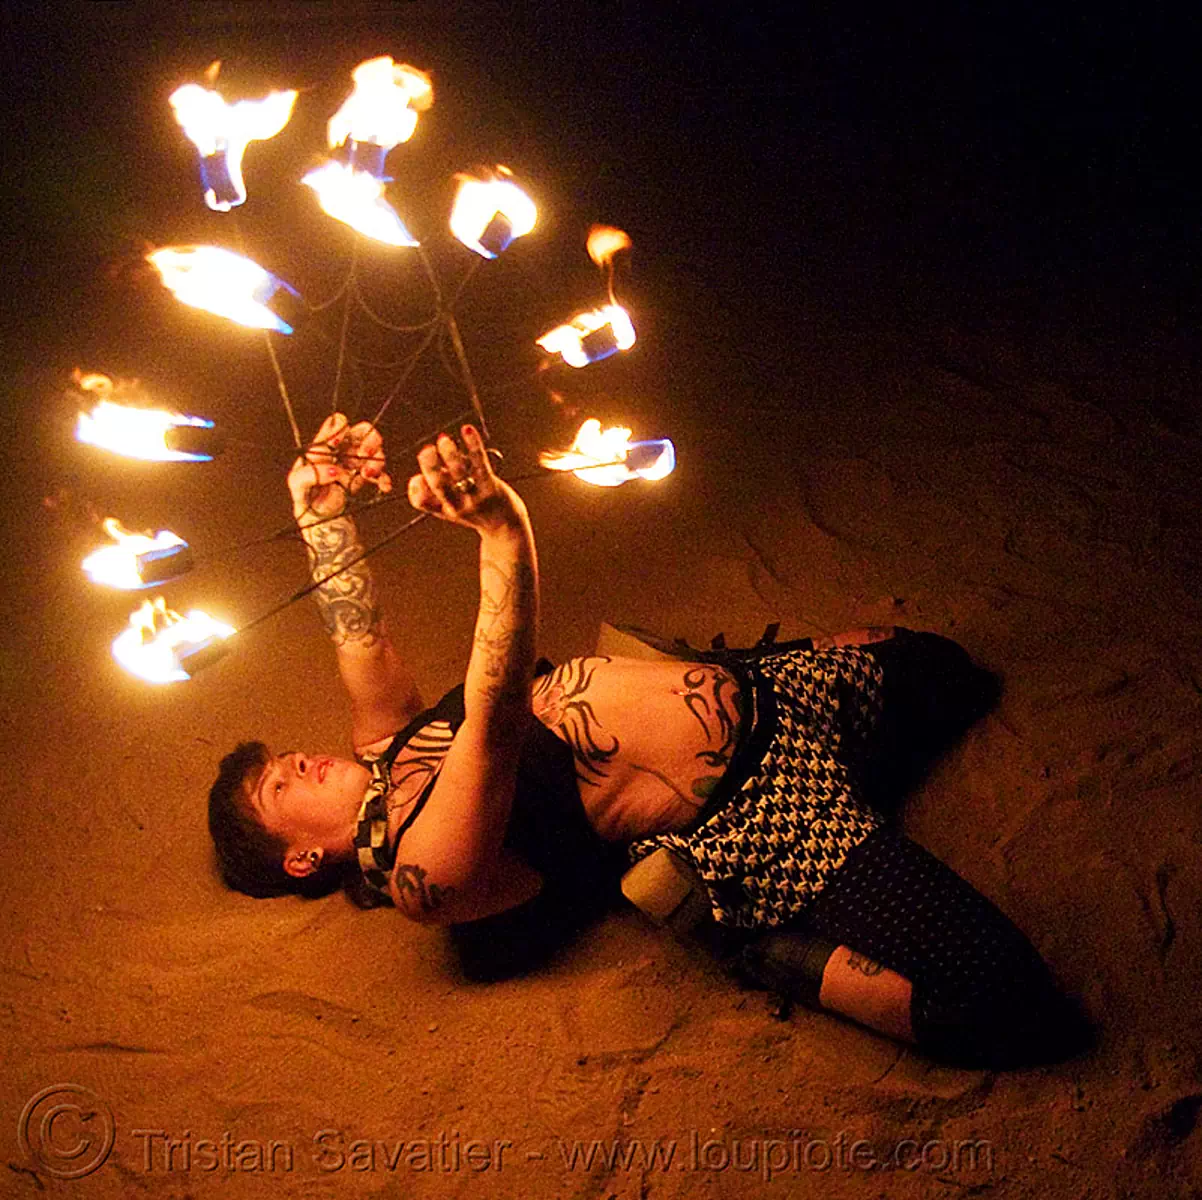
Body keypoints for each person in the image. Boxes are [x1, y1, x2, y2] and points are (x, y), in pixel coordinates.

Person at [208, 414, 1090, 1069]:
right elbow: (496, 713)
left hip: (766, 691)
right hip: (758, 815)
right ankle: (771, 948)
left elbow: (357, 634)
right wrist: (502, 535)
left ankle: (834, 793)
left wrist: (321, 516)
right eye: (278, 791)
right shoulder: (425, 875)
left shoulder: (387, 745)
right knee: (1002, 996)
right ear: (302, 860)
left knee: (944, 668)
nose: (294, 764)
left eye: (282, 759)